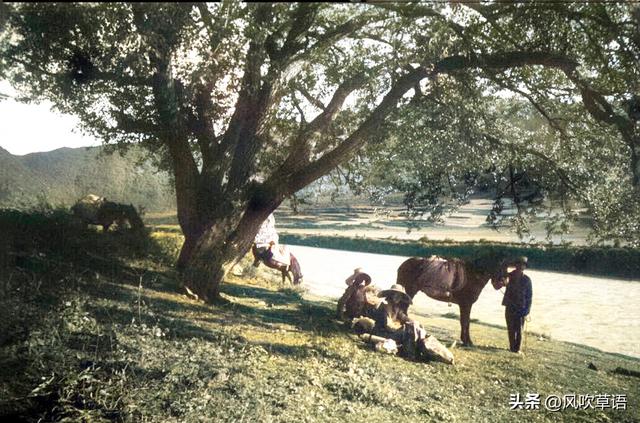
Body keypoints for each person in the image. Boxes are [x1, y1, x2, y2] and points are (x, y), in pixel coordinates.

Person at [502, 256, 532, 353]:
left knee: (519, 330)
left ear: (524, 267)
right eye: (518, 264)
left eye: (522, 265)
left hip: (521, 308)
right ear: (515, 265)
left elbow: (529, 297)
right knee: (510, 328)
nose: (520, 266)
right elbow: (499, 282)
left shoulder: (527, 280)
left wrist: (527, 310)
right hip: (509, 306)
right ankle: (512, 348)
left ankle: (517, 349)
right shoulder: (508, 276)